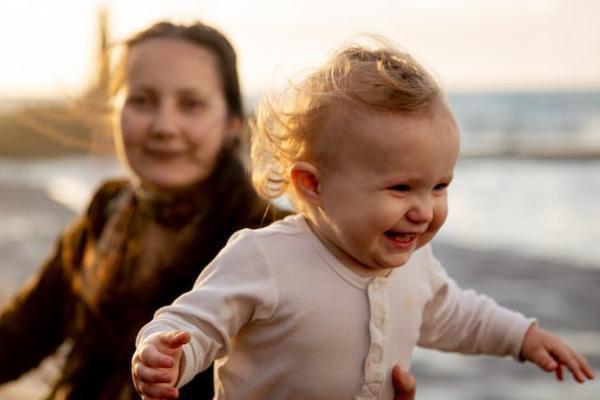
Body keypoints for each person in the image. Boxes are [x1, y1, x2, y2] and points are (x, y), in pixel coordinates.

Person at [132, 39, 595, 399]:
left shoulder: (415, 264)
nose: (424, 209)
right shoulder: (265, 257)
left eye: (439, 186)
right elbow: (198, 322)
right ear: (313, 184)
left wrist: (522, 336)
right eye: (400, 188)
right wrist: (167, 354)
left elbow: (454, 314)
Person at [0, 20, 289, 399]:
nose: (163, 126)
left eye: (191, 104)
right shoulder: (108, 211)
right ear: (114, 112)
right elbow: (21, 336)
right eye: (142, 100)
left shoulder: (274, 237)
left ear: (233, 124)